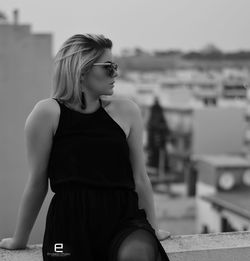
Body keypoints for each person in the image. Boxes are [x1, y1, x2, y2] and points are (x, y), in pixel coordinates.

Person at [0, 33, 171, 260]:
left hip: (124, 220)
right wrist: (19, 239)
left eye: (115, 66)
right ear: (82, 69)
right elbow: (37, 181)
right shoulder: (47, 113)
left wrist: (153, 228)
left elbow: (140, 176)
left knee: (137, 256)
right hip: (68, 225)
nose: (116, 73)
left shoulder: (127, 111)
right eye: (109, 67)